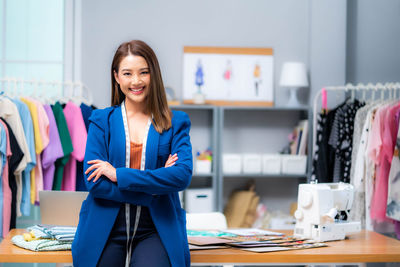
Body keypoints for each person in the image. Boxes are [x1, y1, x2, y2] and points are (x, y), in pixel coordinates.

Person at [71, 40, 193, 267]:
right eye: (127, 73)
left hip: (156, 229)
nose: (136, 81)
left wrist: (119, 175)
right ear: (116, 76)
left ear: (153, 74)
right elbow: (95, 182)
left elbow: (181, 175)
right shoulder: (100, 121)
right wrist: (154, 189)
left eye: (143, 72)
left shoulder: (176, 123)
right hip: (105, 226)